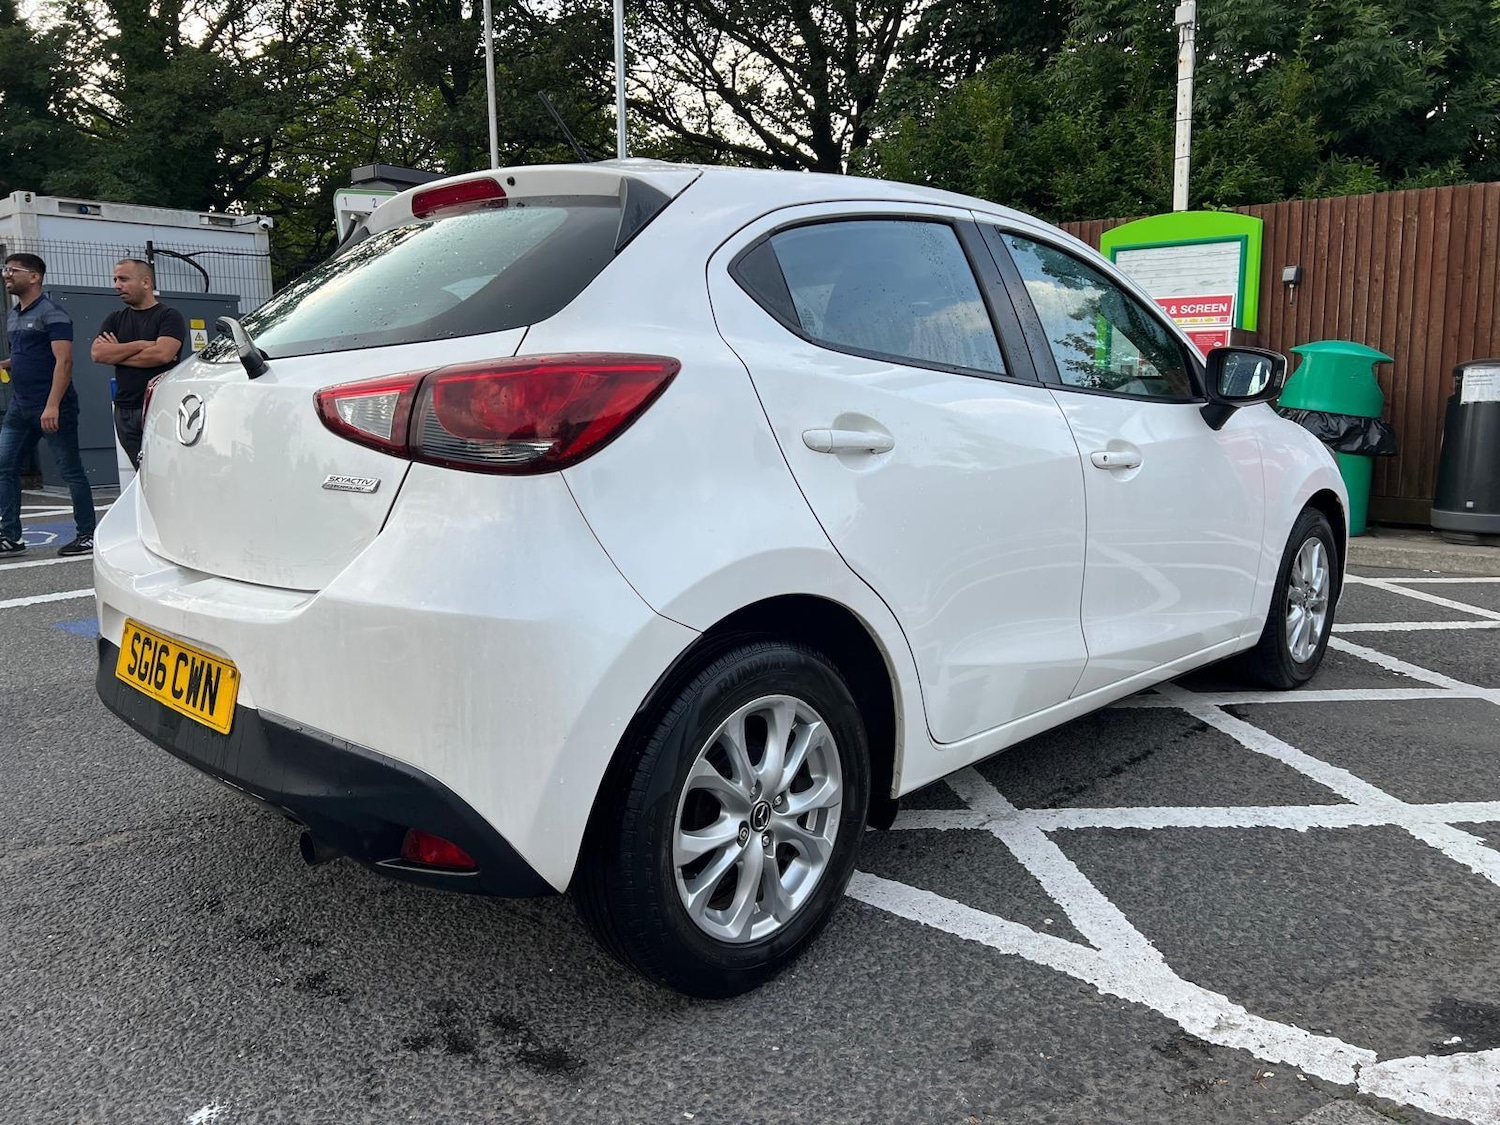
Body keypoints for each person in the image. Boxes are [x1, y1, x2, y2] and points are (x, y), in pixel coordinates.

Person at [0, 253, 96, 557]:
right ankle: (11, 537)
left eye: (13, 270)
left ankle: (86, 535)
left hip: (53, 407)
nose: (6, 275)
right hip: (20, 408)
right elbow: (26, 355)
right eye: (5, 270)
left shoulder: (53, 313)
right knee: (5, 467)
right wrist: (7, 363)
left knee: (71, 472)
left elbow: (64, 361)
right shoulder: (14, 314)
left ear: (35, 277)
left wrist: (52, 405)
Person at [90, 258, 187, 468]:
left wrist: (118, 353)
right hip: (124, 409)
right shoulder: (114, 319)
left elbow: (162, 354)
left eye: (123, 279)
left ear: (146, 282)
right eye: (115, 279)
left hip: (159, 405)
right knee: (141, 472)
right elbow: (98, 354)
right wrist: (141, 344)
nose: (117, 285)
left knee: (163, 470)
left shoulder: (169, 316)